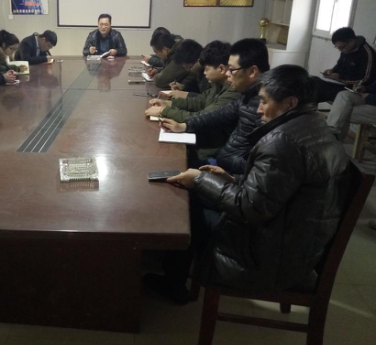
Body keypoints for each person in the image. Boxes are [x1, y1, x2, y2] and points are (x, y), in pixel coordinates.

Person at [154, 65, 350, 302]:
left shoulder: (283, 142)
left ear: (290, 103)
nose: (258, 109)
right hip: (291, 241)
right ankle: (173, 274)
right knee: (192, 196)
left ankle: (174, 286)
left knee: (187, 212)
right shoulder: (313, 125)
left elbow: (248, 208)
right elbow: (279, 189)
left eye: (264, 101)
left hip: (267, 256)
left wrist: (200, 179)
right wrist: (233, 178)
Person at [161, 38, 270, 174]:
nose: (227, 74)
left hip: (226, 170)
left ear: (252, 72)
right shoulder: (247, 96)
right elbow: (216, 115)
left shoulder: (264, 106)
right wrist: (184, 125)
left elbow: (259, 169)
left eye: (232, 69)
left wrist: (207, 177)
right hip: (223, 166)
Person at [146, 41, 240, 162]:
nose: (204, 72)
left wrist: (165, 111)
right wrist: (169, 103)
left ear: (221, 68)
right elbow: (199, 101)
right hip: (203, 141)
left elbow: (203, 116)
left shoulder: (233, 92)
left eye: (206, 69)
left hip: (210, 150)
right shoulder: (218, 84)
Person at [315, 27, 376, 102]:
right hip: (340, 83)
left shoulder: (366, 53)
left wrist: (340, 78)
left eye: (342, 47)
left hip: (354, 87)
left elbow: (365, 79)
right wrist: (331, 71)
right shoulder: (346, 49)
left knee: (319, 88)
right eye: (337, 48)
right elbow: (339, 65)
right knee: (314, 81)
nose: (340, 50)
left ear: (351, 41)